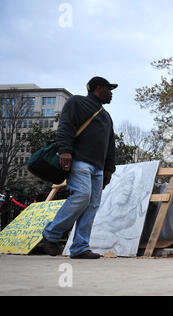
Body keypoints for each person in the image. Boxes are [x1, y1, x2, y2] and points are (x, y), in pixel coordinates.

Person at [41, 76, 117, 259]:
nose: (111, 94)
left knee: (92, 205)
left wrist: (109, 169)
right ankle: (51, 234)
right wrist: (65, 151)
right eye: (109, 89)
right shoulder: (77, 102)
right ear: (97, 88)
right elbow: (65, 126)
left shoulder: (106, 116)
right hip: (80, 161)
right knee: (82, 196)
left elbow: (110, 145)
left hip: (98, 168)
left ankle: (80, 247)